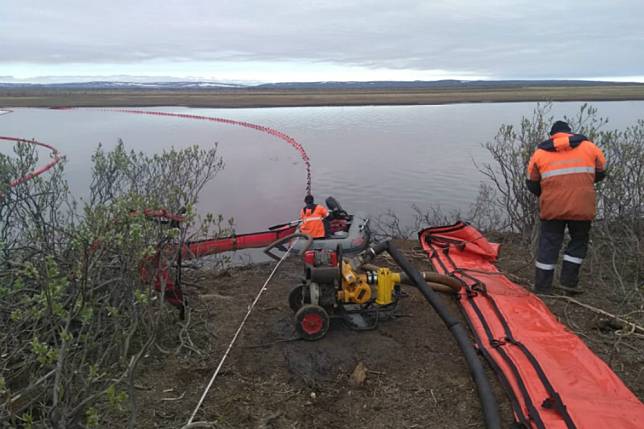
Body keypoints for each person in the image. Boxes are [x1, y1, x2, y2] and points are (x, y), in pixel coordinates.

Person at [526, 120, 607, 294]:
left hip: (552, 208)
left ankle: (542, 287)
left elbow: (532, 184)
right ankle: (568, 284)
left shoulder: (540, 153)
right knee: (578, 241)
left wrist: (549, 194)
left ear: (552, 135)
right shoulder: (589, 147)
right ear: (570, 132)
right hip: (582, 206)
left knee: (549, 243)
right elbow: (600, 173)